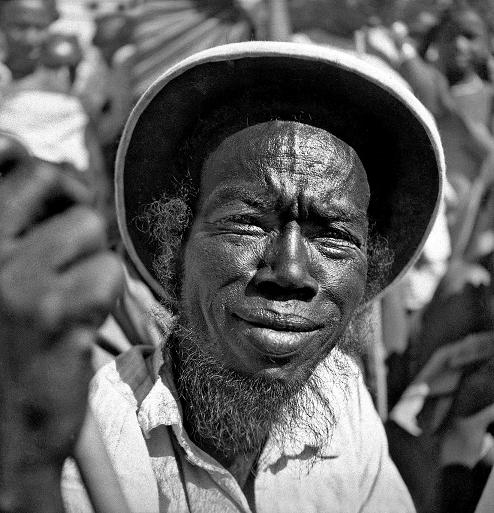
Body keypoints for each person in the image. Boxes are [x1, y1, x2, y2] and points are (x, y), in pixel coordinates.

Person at [0, 42, 444, 512]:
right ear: (176, 247)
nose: (290, 272)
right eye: (247, 223)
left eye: (332, 236)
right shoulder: (88, 435)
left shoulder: (343, 400)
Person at [0, 0, 58, 83]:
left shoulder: (65, 76)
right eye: (20, 27)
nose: (30, 39)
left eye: (40, 27)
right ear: (2, 24)